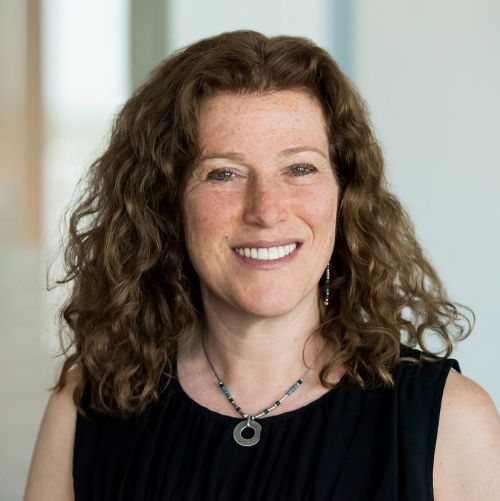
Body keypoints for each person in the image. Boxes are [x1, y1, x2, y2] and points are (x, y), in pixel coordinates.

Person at [25, 30, 499, 500]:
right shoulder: (87, 406)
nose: (267, 210)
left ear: (344, 194)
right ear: (166, 202)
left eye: (299, 168)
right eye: (224, 173)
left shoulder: (450, 422)